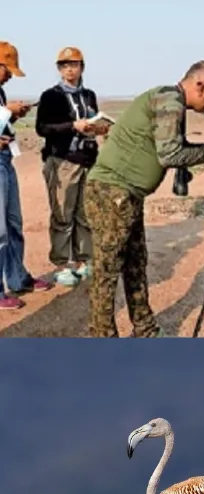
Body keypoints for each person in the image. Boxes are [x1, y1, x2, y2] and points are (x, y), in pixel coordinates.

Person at [84, 60, 204, 337]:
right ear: (200, 86)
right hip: (112, 193)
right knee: (107, 272)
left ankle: (145, 330)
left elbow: (173, 149)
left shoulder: (169, 99)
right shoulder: (171, 102)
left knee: (135, 264)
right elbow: (169, 155)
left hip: (126, 194)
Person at [36, 46, 106, 288]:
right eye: (64, 65)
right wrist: (72, 126)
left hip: (87, 160)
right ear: (59, 69)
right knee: (62, 214)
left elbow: (94, 120)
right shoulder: (51, 96)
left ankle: (84, 259)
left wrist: (99, 128)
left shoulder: (89, 95)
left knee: (85, 213)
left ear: (82, 67)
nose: (69, 69)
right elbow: (42, 128)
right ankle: (62, 265)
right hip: (62, 160)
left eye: (74, 64)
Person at [0, 41, 54, 312]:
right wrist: (9, 111)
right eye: (7, 70)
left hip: (5, 160)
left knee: (13, 223)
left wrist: (11, 113)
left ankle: (18, 278)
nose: (10, 75)